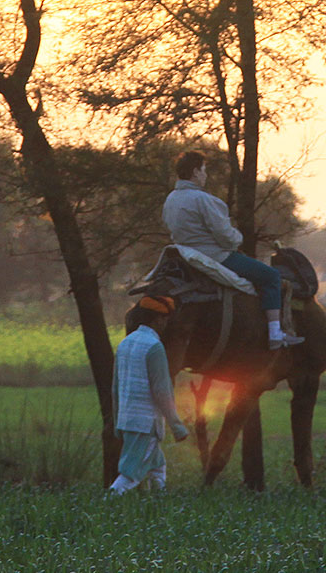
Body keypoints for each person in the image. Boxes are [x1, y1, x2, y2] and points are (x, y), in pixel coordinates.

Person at [163, 151, 301, 348]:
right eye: (203, 170)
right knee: (271, 277)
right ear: (195, 172)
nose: (205, 175)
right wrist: (238, 238)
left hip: (184, 256)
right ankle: (275, 335)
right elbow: (226, 237)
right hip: (216, 257)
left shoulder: (171, 200)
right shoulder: (204, 200)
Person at [110, 295, 189, 494]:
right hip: (146, 422)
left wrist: (117, 421)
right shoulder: (154, 347)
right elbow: (162, 390)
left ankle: (160, 503)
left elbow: (115, 388)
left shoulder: (125, 344)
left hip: (128, 420)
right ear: (158, 320)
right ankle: (109, 503)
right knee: (130, 473)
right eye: (164, 320)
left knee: (157, 465)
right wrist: (176, 425)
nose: (165, 324)